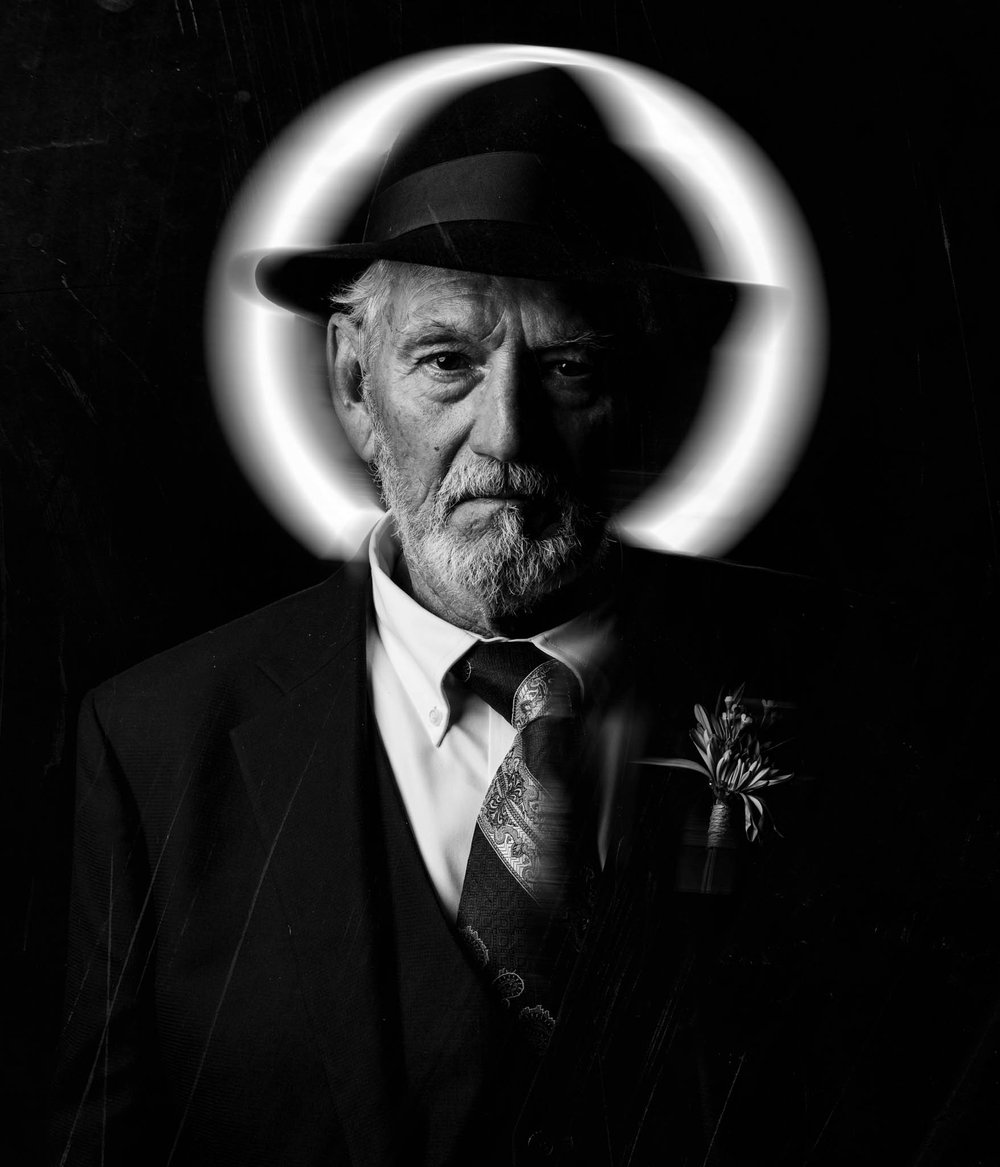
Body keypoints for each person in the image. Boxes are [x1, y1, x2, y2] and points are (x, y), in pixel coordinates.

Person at [51, 67, 856, 1166]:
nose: (508, 436)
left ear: (639, 393)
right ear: (351, 381)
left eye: (568, 365)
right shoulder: (154, 744)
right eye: (446, 362)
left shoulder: (851, 689)